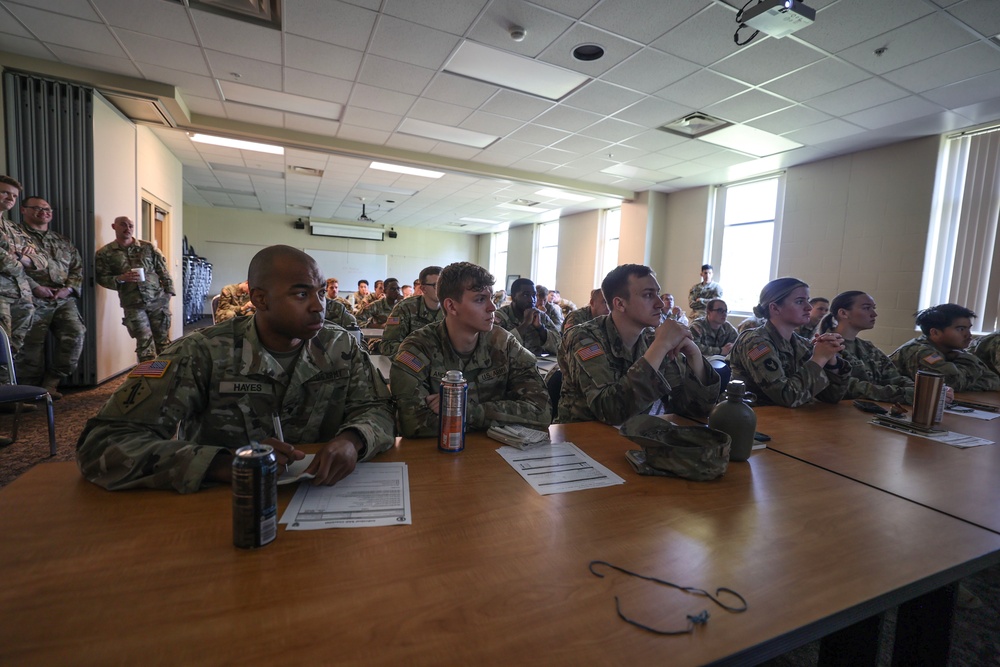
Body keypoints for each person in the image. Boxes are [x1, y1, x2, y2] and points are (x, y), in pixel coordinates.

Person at [77, 245, 395, 494]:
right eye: (301, 293)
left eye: (320, 291)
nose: (318, 305)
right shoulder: (201, 352)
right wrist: (222, 464)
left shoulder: (341, 346)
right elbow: (102, 444)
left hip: (321, 497)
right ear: (260, 299)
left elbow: (378, 408)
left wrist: (353, 440)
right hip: (223, 501)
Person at [390, 262, 550, 438]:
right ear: (451, 306)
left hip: (494, 454)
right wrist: (501, 417)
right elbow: (413, 425)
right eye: (480, 299)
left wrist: (463, 409)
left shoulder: (503, 342)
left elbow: (541, 412)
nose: (492, 308)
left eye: (491, 298)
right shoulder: (417, 348)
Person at [558, 264, 720, 424]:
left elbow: (694, 410)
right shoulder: (583, 337)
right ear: (620, 304)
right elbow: (610, 410)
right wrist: (661, 345)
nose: (660, 303)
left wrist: (694, 355)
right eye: (648, 295)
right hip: (580, 439)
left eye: (658, 294)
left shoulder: (651, 338)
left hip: (630, 439)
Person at [730, 277, 850, 408]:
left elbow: (832, 396)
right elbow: (787, 397)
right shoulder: (755, 342)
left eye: (808, 301)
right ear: (775, 308)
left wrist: (830, 360)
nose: (809, 307)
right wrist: (819, 359)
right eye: (799, 301)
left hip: (789, 421)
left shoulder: (801, 343)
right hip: (754, 420)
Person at [15, 196, 86, 398]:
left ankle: (51, 383)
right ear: (23, 210)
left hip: (62, 299)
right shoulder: (16, 237)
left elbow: (77, 268)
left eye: (47, 208)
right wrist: (35, 287)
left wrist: (69, 289)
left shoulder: (62, 240)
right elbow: (11, 267)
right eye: (36, 208)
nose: (43, 211)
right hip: (30, 297)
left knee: (76, 333)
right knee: (29, 347)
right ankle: (26, 393)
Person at [95, 216, 176, 362]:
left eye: (131, 226)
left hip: (158, 301)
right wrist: (120, 279)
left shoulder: (147, 247)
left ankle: (167, 378)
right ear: (114, 226)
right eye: (123, 225)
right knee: (144, 343)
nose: (128, 229)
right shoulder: (105, 253)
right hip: (133, 304)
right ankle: (148, 378)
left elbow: (162, 269)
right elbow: (102, 278)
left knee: (163, 342)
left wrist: (169, 292)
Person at [817, 291, 915, 404]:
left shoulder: (868, 348)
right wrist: (904, 394)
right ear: (843, 313)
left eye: (873, 308)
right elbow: (850, 387)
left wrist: (916, 390)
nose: (874, 314)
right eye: (866, 308)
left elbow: (894, 377)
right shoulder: (825, 345)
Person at [890, 304, 1000, 392]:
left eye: (968, 328)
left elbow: (994, 381)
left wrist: (966, 380)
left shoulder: (952, 349)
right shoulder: (920, 352)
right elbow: (952, 383)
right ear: (935, 333)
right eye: (961, 329)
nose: (968, 335)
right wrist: (965, 358)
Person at [0, 176, 37, 360]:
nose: (10, 198)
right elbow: (4, 261)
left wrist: (21, 256)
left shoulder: (13, 229)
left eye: (14, 196)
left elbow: (41, 260)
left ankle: (8, 386)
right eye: (4, 192)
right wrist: (20, 261)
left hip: (21, 297)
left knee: (11, 351)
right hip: (1, 298)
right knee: (1, 347)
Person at [377, 265, 443, 357]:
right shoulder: (404, 308)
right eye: (436, 285)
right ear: (423, 289)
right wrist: (417, 352)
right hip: (412, 363)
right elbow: (387, 345)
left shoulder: (451, 309)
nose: (442, 289)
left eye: (443, 284)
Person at [494, 278, 561, 356]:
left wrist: (540, 328)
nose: (532, 300)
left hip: (540, 365)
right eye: (526, 295)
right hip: (508, 366)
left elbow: (560, 346)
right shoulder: (500, 316)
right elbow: (497, 347)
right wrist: (525, 324)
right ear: (513, 297)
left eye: (534, 295)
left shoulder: (540, 316)